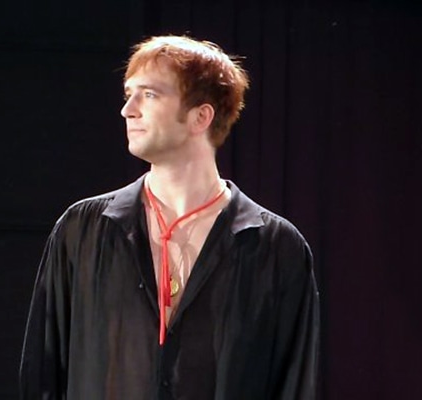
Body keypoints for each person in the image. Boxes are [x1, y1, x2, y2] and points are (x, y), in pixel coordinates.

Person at [19, 35, 319, 399]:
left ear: (200, 117)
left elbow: (295, 386)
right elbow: (43, 376)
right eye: (128, 94)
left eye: (149, 94)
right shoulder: (82, 230)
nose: (128, 110)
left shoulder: (276, 248)